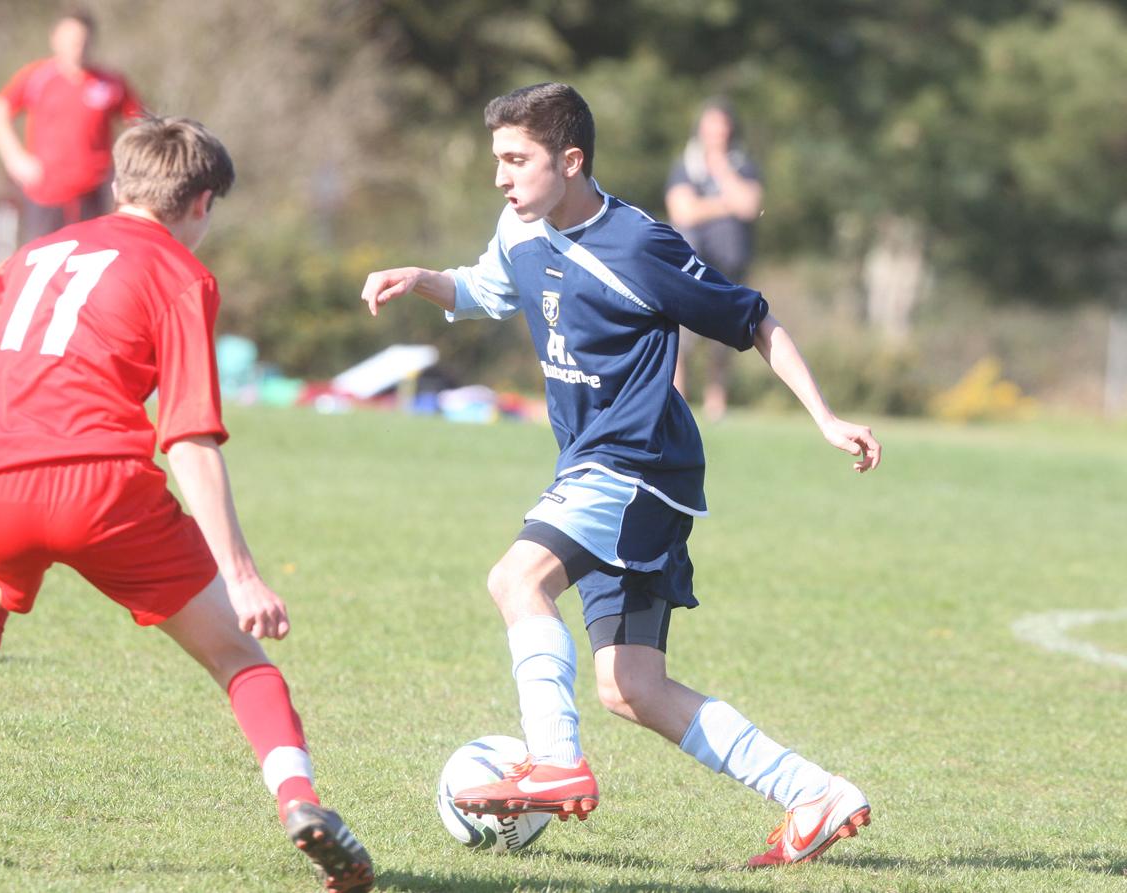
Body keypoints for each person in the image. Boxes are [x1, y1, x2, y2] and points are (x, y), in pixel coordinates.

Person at [361, 83, 880, 869]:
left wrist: (826, 417)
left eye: (516, 159)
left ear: (570, 161)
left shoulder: (641, 246)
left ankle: (555, 760)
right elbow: (482, 288)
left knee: (516, 579)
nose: (500, 177)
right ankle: (815, 792)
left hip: (636, 463)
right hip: (601, 467)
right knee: (631, 686)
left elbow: (753, 318)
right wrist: (419, 276)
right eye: (496, 159)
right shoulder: (521, 229)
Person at [0, 117, 372, 893]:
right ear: (201, 203)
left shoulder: (33, 254)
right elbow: (190, 433)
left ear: (120, 184)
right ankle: (301, 802)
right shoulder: (179, 273)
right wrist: (242, 573)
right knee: (238, 655)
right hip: (99, 485)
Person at [0, 8, 143, 247]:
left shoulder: (109, 82)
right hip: (46, 192)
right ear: (55, 39)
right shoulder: (37, 76)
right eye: (70, 40)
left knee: (90, 258)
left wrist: (129, 172)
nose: (76, 47)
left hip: (95, 193)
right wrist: (16, 159)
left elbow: (140, 123)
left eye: (82, 41)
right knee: (42, 260)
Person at [665, 98, 763, 421]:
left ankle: (715, 400)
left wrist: (721, 170)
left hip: (730, 265)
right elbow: (682, 212)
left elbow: (750, 206)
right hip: (690, 267)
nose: (716, 134)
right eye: (710, 127)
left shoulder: (742, 165)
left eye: (722, 127)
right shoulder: (685, 167)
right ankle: (677, 396)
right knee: (681, 338)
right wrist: (726, 204)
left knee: (723, 341)